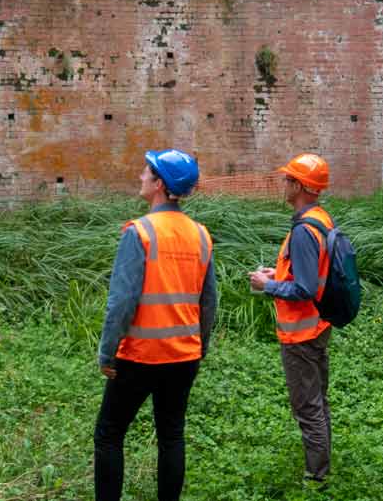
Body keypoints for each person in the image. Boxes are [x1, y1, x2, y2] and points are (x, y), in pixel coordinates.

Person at [94, 148, 217, 501]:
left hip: (139, 356)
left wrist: (106, 353)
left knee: (109, 434)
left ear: (160, 184)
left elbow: (121, 302)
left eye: (146, 172)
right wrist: (200, 346)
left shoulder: (140, 232)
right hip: (184, 357)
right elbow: (209, 302)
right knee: (171, 435)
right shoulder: (201, 235)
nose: (140, 176)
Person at [247, 152, 336, 487]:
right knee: (318, 401)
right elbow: (310, 272)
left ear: (299, 186)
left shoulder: (303, 231)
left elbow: (305, 288)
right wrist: (279, 273)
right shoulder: (320, 219)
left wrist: (267, 285)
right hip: (317, 326)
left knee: (308, 407)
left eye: (288, 179)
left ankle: (317, 478)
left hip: (301, 335)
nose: (283, 184)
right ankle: (322, 465)